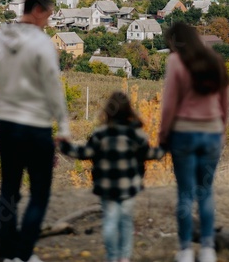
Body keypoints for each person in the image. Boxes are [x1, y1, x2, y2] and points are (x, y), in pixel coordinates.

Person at [0, 0, 70, 262]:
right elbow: (53, 88)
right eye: (50, 15)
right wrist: (63, 124)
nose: (49, 22)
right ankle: (25, 254)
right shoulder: (42, 45)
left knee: (9, 190)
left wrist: (1, 113)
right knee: (39, 193)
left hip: (8, 127)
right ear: (39, 10)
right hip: (37, 128)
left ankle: (8, 254)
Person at [58, 91, 165, 262]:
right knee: (126, 222)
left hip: (106, 187)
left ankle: (112, 257)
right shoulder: (137, 135)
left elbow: (85, 153)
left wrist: (64, 146)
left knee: (110, 221)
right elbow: (151, 154)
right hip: (129, 186)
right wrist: (166, 145)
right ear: (129, 111)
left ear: (108, 111)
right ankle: (125, 257)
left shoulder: (101, 133)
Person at [159, 22, 229, 262]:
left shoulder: (176, 62)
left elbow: (169, 104)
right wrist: (222, 131)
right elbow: (224, 102)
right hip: (212, 132)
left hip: (184, 134)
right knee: (206, 192)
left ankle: (186, 250)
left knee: (185, 194)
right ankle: (208, 249)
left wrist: (162, 134)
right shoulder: (215, 60)